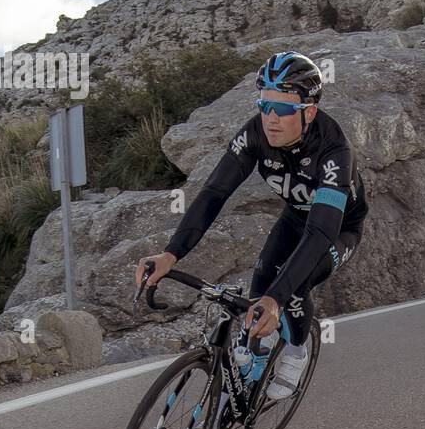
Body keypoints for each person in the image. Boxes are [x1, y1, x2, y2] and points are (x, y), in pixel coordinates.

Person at [135, 51, 368, 401]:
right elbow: (215, 193)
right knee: (259, 284)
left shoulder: (335, 151)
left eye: (284, 109)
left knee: (292, 283)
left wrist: (277, 299)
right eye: (264, 105)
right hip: (295, 216)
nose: (271, 119)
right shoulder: (255, 134)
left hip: (337, 228)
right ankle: (253, 366)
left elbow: (319, 233)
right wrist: (171, 254)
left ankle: (295, 350)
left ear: (309, 112)